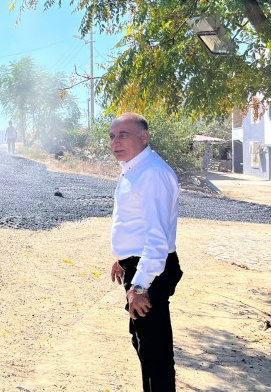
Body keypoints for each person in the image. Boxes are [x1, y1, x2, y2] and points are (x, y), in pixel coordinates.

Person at [108, 112, 183, 391]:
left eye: (123, 135)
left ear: (144, 136)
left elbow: (157, 237)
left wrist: (139, 286)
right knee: (144, 345)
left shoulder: (152, 173)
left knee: (156, 353)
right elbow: (134, 223)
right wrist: (122, 260)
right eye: (112, 136)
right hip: (138, 267)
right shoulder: (133, 168)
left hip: (151, 272)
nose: (115, 142)